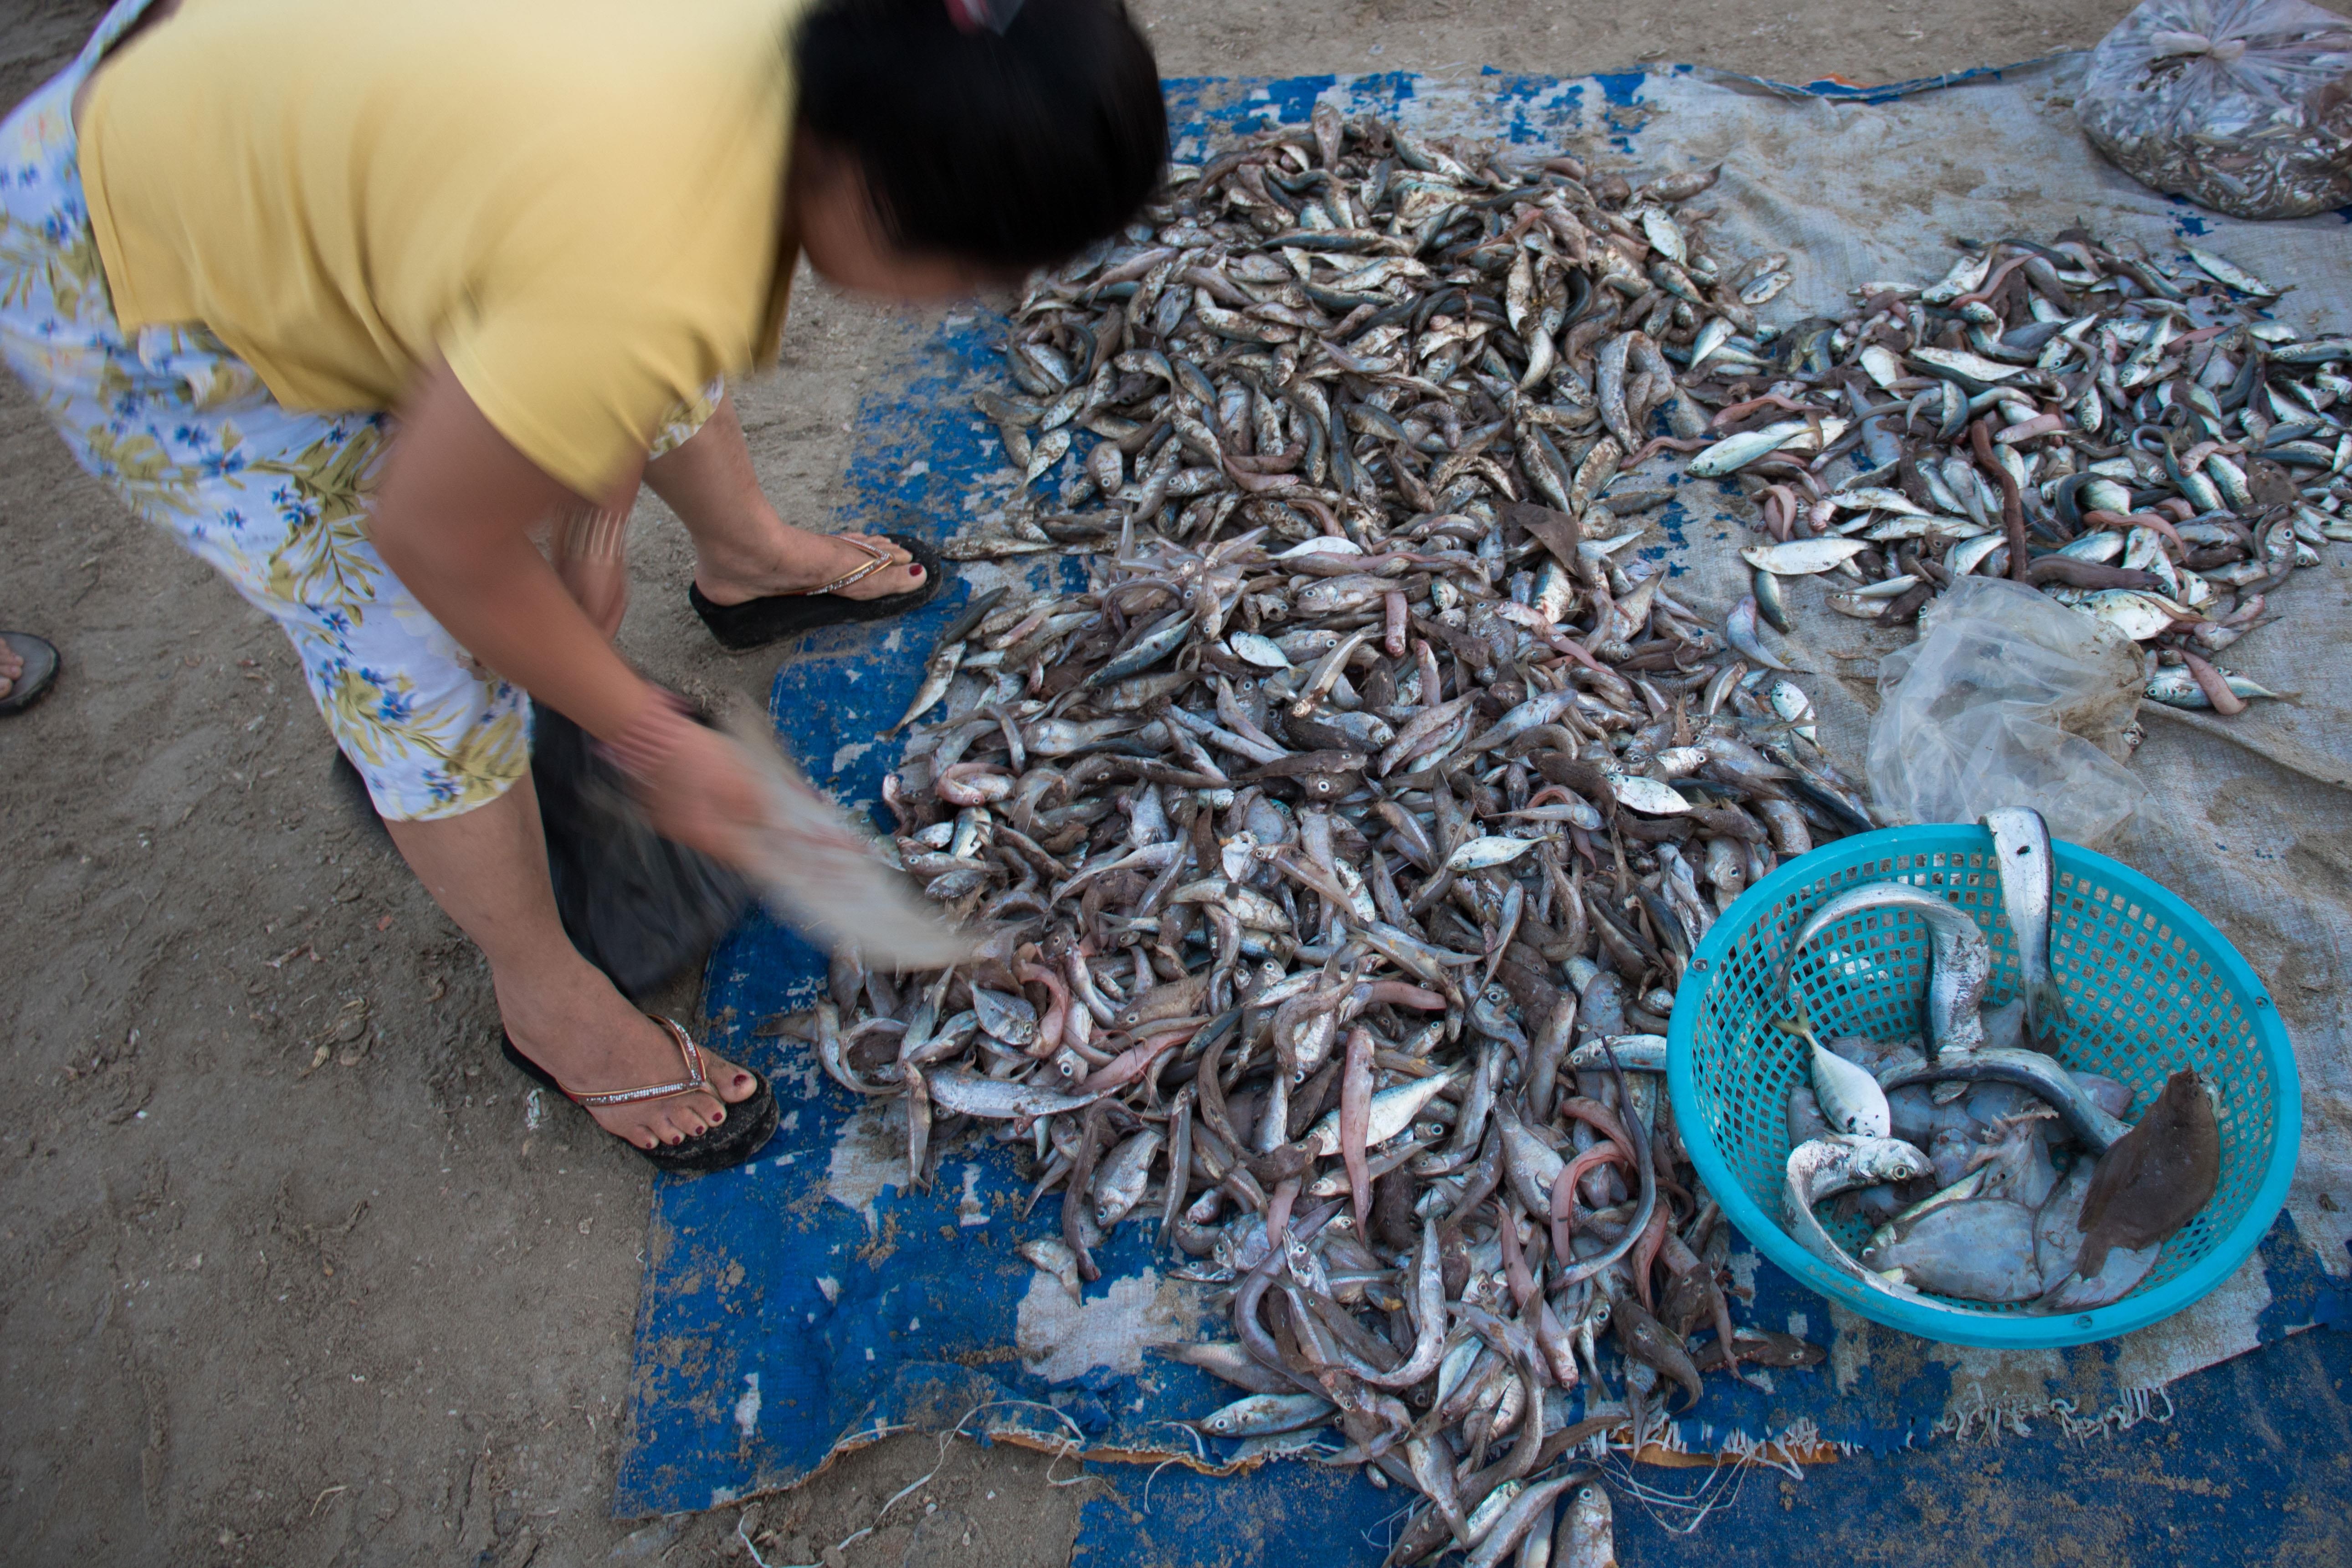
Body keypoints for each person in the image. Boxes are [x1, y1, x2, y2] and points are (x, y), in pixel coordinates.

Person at [0, 0, 1166, 1168]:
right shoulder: (637, 263)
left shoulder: (796, 52)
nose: (967, 300)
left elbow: (602, 302)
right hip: (134, 251)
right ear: (868, 180)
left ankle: (744, 557)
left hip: (318, 118)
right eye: (972, 266)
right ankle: (547, 999)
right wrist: (641, 731)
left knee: (617, 372)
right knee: (421, 654)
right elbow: (436, 538)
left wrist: (592, 537)